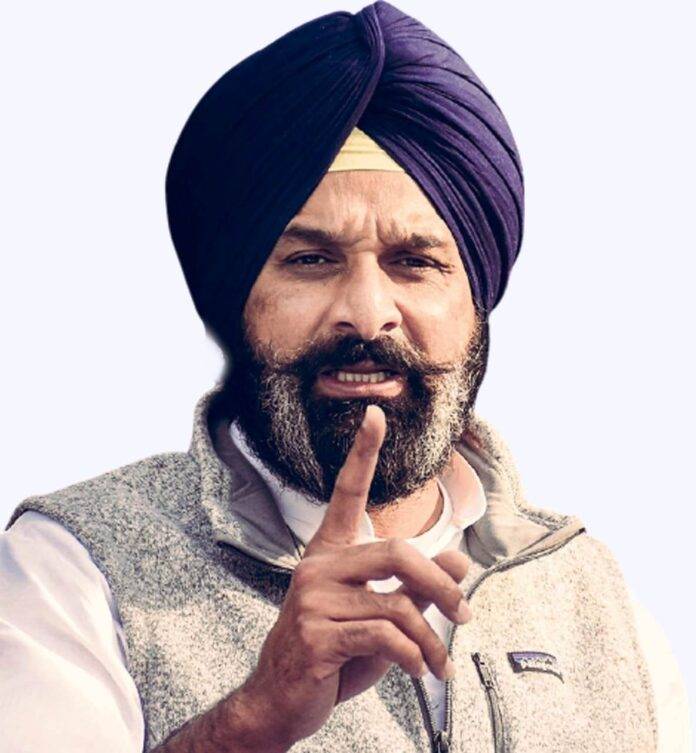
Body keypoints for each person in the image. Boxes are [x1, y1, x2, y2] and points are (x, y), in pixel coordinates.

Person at [1, 2, 691, 752]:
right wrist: (253, 719)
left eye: (414, 262)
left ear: (476, 304)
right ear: (237, 300)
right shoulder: (73, 568)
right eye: (311, 260)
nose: (366, 314)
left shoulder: (592, 598)